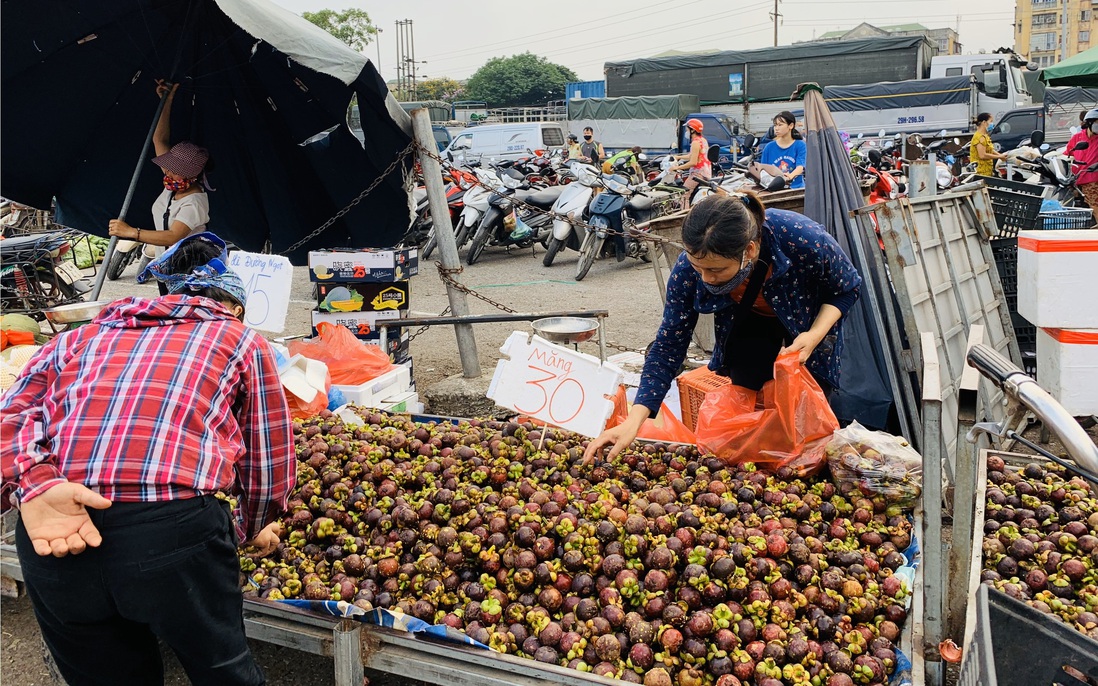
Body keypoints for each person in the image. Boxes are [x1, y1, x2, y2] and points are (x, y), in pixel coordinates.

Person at [1, 231, 295, 686]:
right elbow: (267, 460)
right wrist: (255, 523)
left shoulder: (77, 338)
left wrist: (35, 485)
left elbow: (11, 416)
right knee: (222, 671)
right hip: (172, 532)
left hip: (52, 533)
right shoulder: (238, 339)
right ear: (234, 307)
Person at [584, 193, 861, 461]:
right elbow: (669, 346)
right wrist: (635, 421)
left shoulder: (801, 238)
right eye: (698, 267)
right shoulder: (689, 269)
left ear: (749, 251)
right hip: (749, 324)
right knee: (748, 408)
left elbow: (847, 288)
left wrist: (813, 336)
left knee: (806, 418)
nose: (705, 278)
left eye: (716, 271)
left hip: (804, 323)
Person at [108, 80, 213, 294]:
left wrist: (132, 232)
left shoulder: (195, 201)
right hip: (167, 267)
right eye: (168, 167)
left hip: (189, 272)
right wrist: (166, 100)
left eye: (175, 169)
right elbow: (159, 138)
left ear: (192, 175)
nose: (168, 172)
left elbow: (173, 236)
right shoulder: (172, 187)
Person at [670, 118, 712, 207]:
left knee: (684, 194)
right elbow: (691, 155)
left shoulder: (695, 142)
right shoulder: (702, 140)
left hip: (697, 174)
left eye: (687, 129)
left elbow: (693, 162)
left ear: (693, 130)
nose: (686, 131)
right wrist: (678, 157)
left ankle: (683, 216)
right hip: (705, 172)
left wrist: (676, 168)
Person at [759, 111, 807, 190]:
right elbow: (763, 170)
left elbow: (800, 167)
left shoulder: (800, 145)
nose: (776, 128)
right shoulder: (769, 147)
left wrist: (789, 177)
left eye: (780, 125)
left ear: (791, 125)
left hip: (795, 189)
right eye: (775, 125)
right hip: (773, 190)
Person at [1067, 108, 1098, 220]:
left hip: (1092, 178)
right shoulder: (1077, 137)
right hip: (1076, 177)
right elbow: (1068, 153)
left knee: (1095, 205)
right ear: (1089, 123)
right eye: (1097, 122)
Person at [970, 112, 1007, 177]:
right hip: (980, 172)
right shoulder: (979, 137)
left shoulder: (985, 135)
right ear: (984, 122)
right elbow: (982, 155)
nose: (992, 124)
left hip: (987, 170)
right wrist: (999, 157)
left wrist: (1001, 155)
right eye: (991, 121)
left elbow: (990, 149)